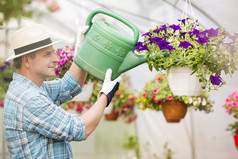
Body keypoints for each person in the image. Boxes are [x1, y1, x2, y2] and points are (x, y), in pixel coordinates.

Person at [4, 24, 121, 159]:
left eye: (53, 52)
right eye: (47, 54)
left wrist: (84, 53)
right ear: (27, 60)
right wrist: (106, 95)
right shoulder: (29, 98)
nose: (56, 59)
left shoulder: (30, 88)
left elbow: (68, 86)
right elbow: (82, 129)